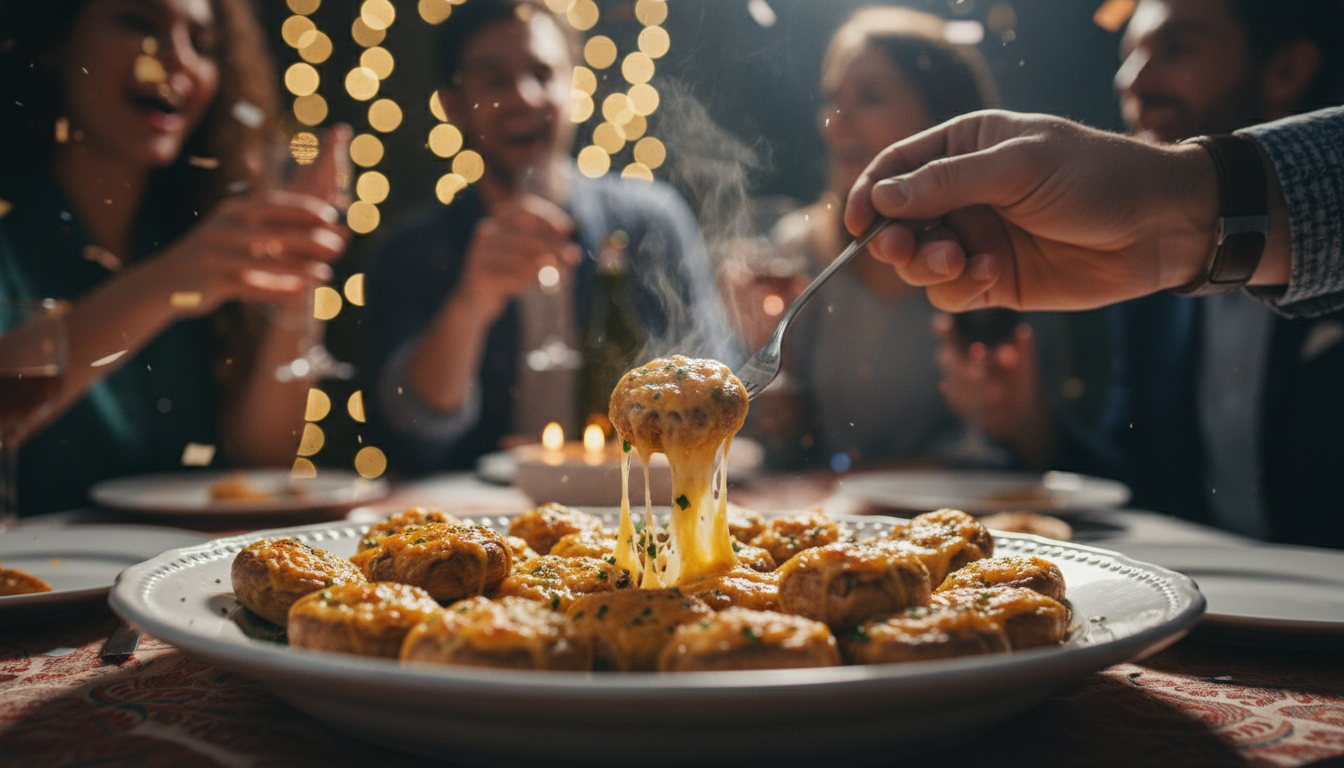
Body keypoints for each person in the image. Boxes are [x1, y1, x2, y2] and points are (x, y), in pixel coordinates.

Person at [926, 0, 1344, 546]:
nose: (1131, 81)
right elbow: (1137, 483)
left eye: (1176, 48)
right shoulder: (1151, 284)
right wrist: (1032, 426)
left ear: (1286, 70)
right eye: (1128, 55)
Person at [0, 0, 349, 514]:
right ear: (55, 41)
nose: (179, 59)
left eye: (204, 45)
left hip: (177, 581)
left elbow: (262, 460)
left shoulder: (193, 229)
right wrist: (168, 284)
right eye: (140, 23)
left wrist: (296, 282)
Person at [364, 0, 733, 474]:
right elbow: (410, 431)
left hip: (633, 504)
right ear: (453, 105)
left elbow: (718, 392)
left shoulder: (652, 222)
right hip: (477, 523)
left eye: (543, 73)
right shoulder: (411, 251)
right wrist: (470, 304)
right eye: (495, 80)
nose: (524, 96)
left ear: (572, 88)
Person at [727, 6, 1003, 470]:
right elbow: (787, 446)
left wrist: (1021, 422)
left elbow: (1028, 451)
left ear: (942, 119)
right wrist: (771, 362)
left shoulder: (997, 252)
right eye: (832, 98)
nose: (836, 120)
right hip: (841, 526)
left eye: (869, 98)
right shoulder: (798, 252)